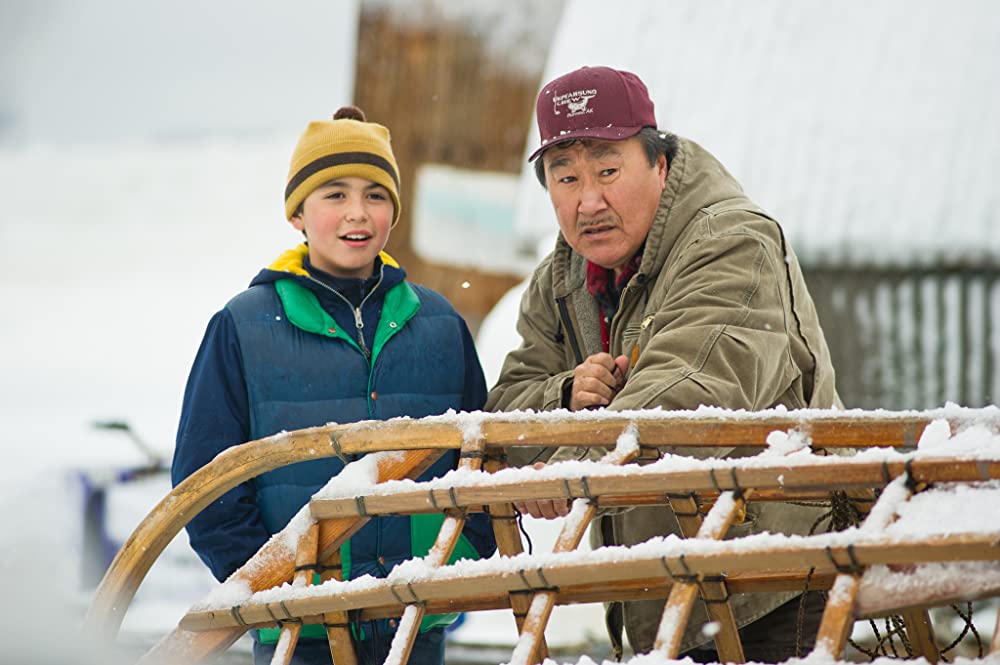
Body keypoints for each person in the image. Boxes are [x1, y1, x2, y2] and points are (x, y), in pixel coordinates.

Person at [486, 66, 843, 662]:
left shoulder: (732, 242)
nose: (588, 200)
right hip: (655, 593)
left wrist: (571, 460)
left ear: (660, 162)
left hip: (768, 582)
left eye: (607, 169)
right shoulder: (563, 277)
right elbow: (503, 413)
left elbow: (690, 393)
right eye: (564, 176)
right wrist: (565, 393)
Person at [172, 106, 495, 665]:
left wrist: (457, 560)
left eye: (375, 194)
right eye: (335, 194)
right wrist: (270, 585)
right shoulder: (243, 327)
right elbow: (205, 483)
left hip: (416, 621)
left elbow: (483, 460)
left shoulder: (440, 326)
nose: (358, 213)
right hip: (298, 633)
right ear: (298, 212)